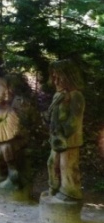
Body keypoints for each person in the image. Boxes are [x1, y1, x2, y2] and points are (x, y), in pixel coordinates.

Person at [44, 59, 85, 202]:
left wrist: (62, 131)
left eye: (58, 77)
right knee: (52, 162)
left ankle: (69, 192)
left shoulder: (76, 96)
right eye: (53, 77)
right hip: (56, 139)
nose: (55, 81)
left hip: (69, 139)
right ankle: (54, 187)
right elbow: (53, 116)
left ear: (68, 77)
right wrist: (48, 119)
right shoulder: (58, 95)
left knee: (66, 165)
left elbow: (74, 119)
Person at [0, 77, 22, 188]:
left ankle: (12, 173)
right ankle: (0, 174)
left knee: (6, 149)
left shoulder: (10, 110)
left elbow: (13, 128)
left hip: (9, 141)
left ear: (5, 95)